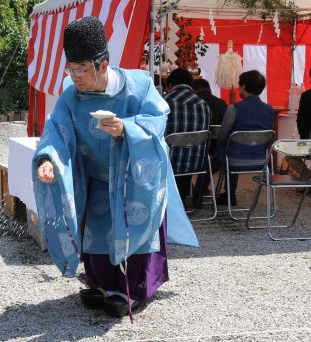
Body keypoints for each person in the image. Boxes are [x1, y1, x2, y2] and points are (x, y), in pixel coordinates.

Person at [33, 16, 197, 319]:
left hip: (135, 177)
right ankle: (99, 283)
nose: (75, 77)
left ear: (104, 64)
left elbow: (158, 120)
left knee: (134, 232)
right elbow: (56, 130)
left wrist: (126, 128)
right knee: (96, 234)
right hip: (97, 177)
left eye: (81, 69)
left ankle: (133, 291)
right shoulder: (72, 97)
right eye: (71, 69)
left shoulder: (138, 87)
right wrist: (47, 159)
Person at [212, 70, 275, 206]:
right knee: (233, 148)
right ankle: (229, 194)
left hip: (234, 160)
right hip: (261, 161)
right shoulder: (269, 110)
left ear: (244, 86)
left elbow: (222, 136)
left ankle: (198, 198)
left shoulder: (233, 108)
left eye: (240, 85)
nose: (238, 88)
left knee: (216, 157)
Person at [164, 68, 211, 207]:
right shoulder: (204, 105)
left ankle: (169, 202)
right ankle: (181, 200)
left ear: (170, 84)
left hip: (169, 163)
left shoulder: (162, 103)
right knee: (185, 154)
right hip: (196, 163)